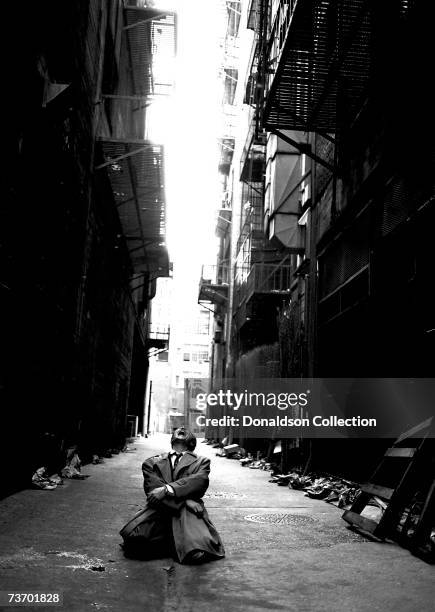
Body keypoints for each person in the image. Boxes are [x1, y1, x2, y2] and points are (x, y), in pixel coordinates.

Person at [120, 427, 225, 564]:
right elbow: (153, 491)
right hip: (160, 510)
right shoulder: (151, 462)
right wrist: (186, 500)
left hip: (189, 514)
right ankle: (171, 544)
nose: (181, 429)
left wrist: (167, 489)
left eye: (185, 431)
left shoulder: (202, 462)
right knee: (135, 545)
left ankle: (173, 544)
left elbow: (199, 482)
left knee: (196, 552)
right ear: (172, 440)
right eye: (178, 431)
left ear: (192, 442)